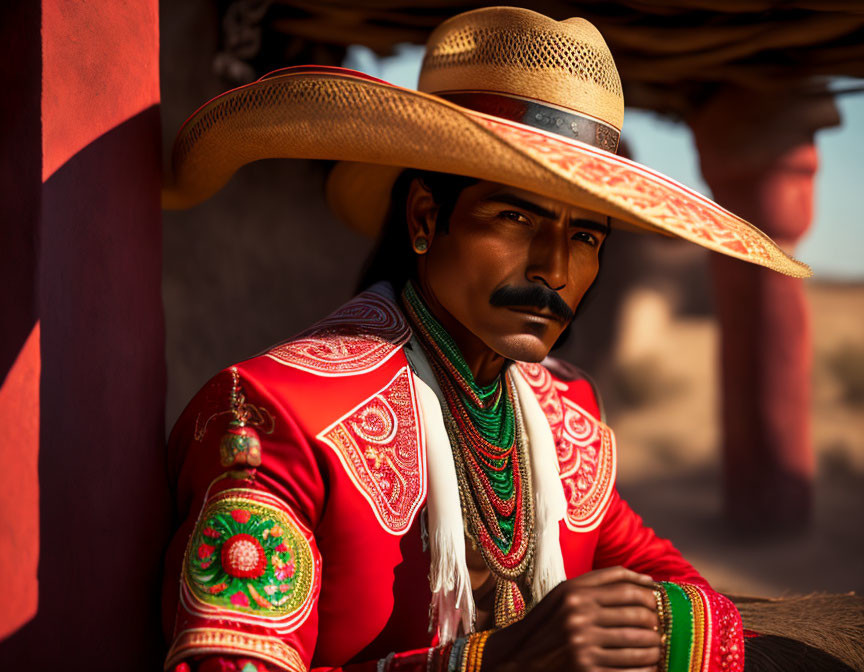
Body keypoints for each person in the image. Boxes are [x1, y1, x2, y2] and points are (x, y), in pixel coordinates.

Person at [160, 7, 816, 672]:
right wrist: (491, 662)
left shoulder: (563, 412)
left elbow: (650, 570)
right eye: (514, 216)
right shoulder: (278, 415)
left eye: (585, 236)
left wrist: (669, 630)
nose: (555, 270)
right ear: (424, 218)